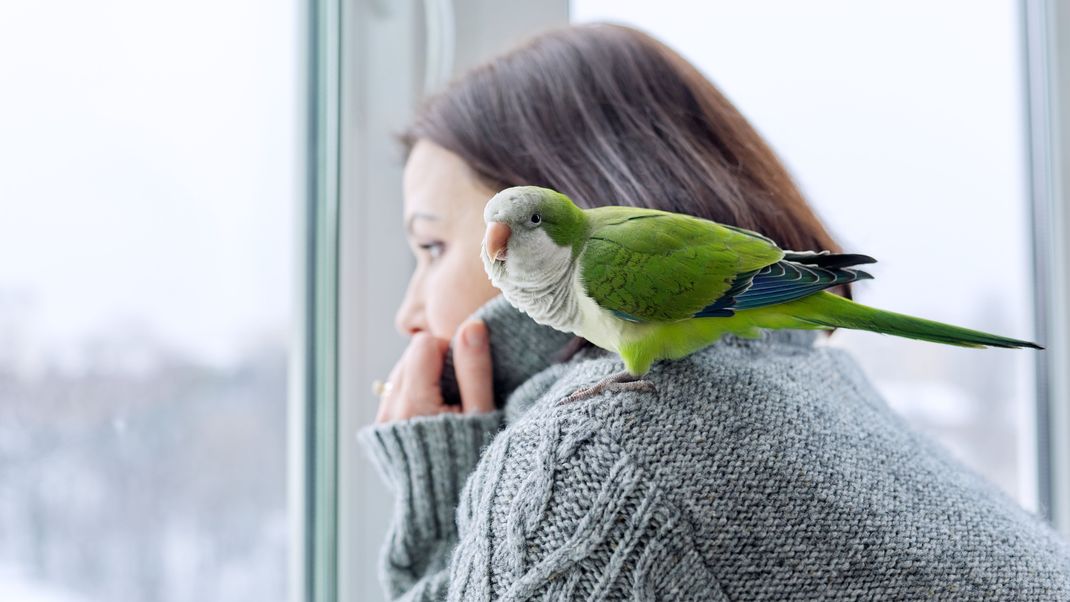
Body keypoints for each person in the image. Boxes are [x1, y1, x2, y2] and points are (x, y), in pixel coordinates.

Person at [358, 23, 1070, 600]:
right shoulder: (821, 387)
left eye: (430, 246)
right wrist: (462, 485)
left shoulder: (593, 454)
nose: (407, 313)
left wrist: (441, 505)